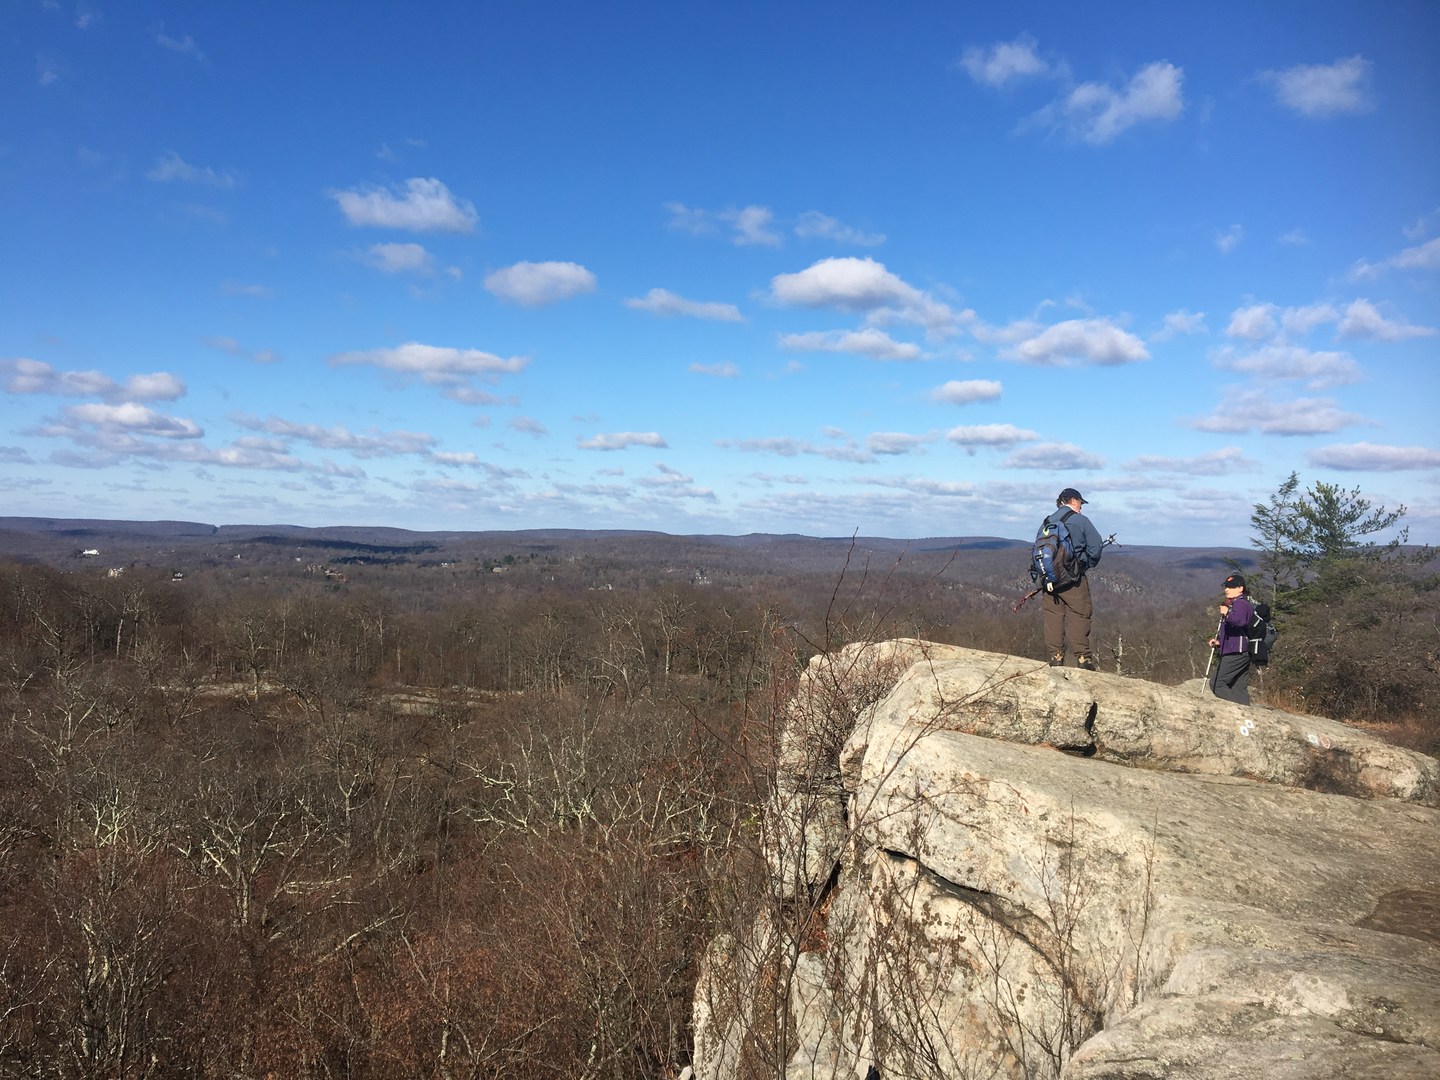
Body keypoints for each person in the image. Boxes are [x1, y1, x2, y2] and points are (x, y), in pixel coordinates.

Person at [1042, 487, 1104, 670]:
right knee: (1080, 613)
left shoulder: (1047, 521)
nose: (1081, 507)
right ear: (1072, 500)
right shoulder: (1081, 521)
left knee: (1053, 616)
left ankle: (1056, 657)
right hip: (1072, 578)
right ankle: (1083, 659)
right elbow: (1096, 547)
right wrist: (1084, 564)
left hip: (1049, 579)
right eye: (1080, 503)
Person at [1208, 572, 1256, 704]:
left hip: (1236, 651)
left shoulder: (1240, 604)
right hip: (1242, 650)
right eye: (1226, 586)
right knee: (1238, 687)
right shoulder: (1241, 603)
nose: (1226, 589)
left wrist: (1227, 613)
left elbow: (1239, 621)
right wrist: (1219, 642)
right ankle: (1247, 716)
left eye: (1231, 587)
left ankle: (1237, 712)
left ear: (1241, 588)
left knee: (1217, 683)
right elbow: (1238, 629)